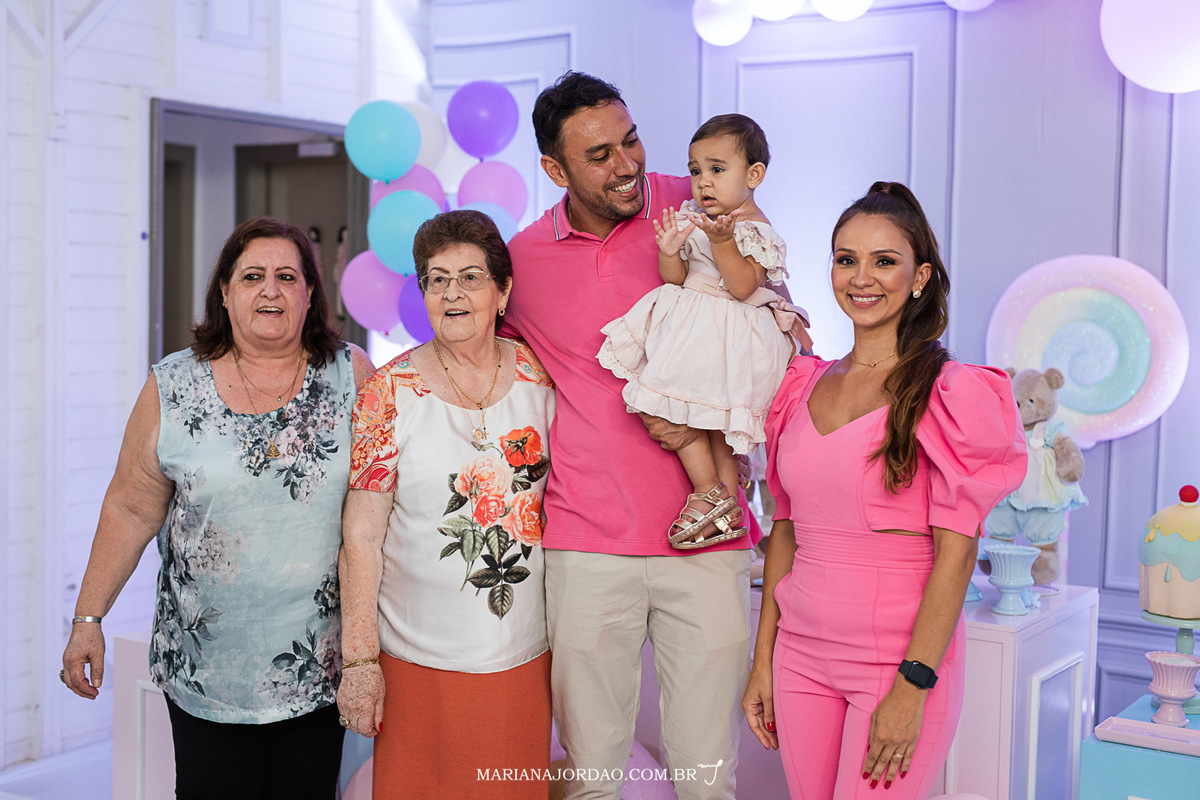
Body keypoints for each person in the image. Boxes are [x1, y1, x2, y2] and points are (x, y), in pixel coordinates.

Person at [60, 217, 374, 800]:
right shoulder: (173, 385)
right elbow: (129, 508)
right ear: (224, 292)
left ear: (310, 293)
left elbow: (380, 509)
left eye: (287, 276)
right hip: (206, 671)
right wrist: (88, 620)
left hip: (317, 668)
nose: (270, 290)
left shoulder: (350, 374)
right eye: (252, 276)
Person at [503, 71, 751, 800]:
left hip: (709, 538)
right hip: (585, 546)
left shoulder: (699, 204)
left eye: (632, 139)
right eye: (600, 154)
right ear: (555, 170)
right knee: (592, 779)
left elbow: (767, 314)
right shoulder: (522, 261)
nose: (628, 164)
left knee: (708, 778)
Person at [741, 182, 1028, 799]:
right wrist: (762, 659)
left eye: (884, 260)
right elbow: (784, 532)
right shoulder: (799, 385)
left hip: (895, 666)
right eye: (846, 259)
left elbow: (957, 554)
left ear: (920, 276)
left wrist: (912, 684)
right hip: (799, 658)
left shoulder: (950, 392)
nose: (861, 278)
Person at [337, 210, 555, 799]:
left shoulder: (543, 380)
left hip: (522, 659)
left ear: (503, 292)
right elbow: (361, 537)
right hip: (415, 664)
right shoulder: (387, 393)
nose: (452, 293)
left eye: (470, 277)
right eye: (436, 279)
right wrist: (360, 662)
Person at [597, 113, 809, 550]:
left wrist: (723, 241)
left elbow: (742, 286)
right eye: (695, 171)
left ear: (753, 175)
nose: (703, 182)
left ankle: (712, 493)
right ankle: (719, 496)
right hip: (694, 328)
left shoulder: (755, 229)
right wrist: (669, 251)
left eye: (717, 169)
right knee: (683, 414)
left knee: (707, 420)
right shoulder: (696, 217)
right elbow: (676, 278)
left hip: (728, 334)